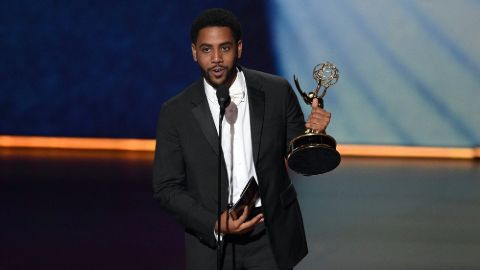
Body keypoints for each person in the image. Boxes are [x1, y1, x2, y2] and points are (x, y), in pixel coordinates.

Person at [153, 8, 331, 270]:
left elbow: (302, 162)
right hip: (211, 240)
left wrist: (316, 135)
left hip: (268, 232)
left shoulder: (276, 92)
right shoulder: (175, 112)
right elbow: (166, 187)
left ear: (239, 48)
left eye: (224, 48)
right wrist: (213, 221)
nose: (215, 59)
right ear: (194, 52)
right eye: (206, 50)